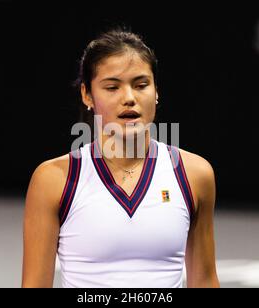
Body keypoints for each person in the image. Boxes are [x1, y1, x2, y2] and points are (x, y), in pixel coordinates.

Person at [21, 29, 220, 288]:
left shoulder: (195, 174)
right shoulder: (53, 180)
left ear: (156, 91)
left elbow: (204, 281)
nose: (129, 98)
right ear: (87, 95)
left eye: (141, 85)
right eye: (112, 87)